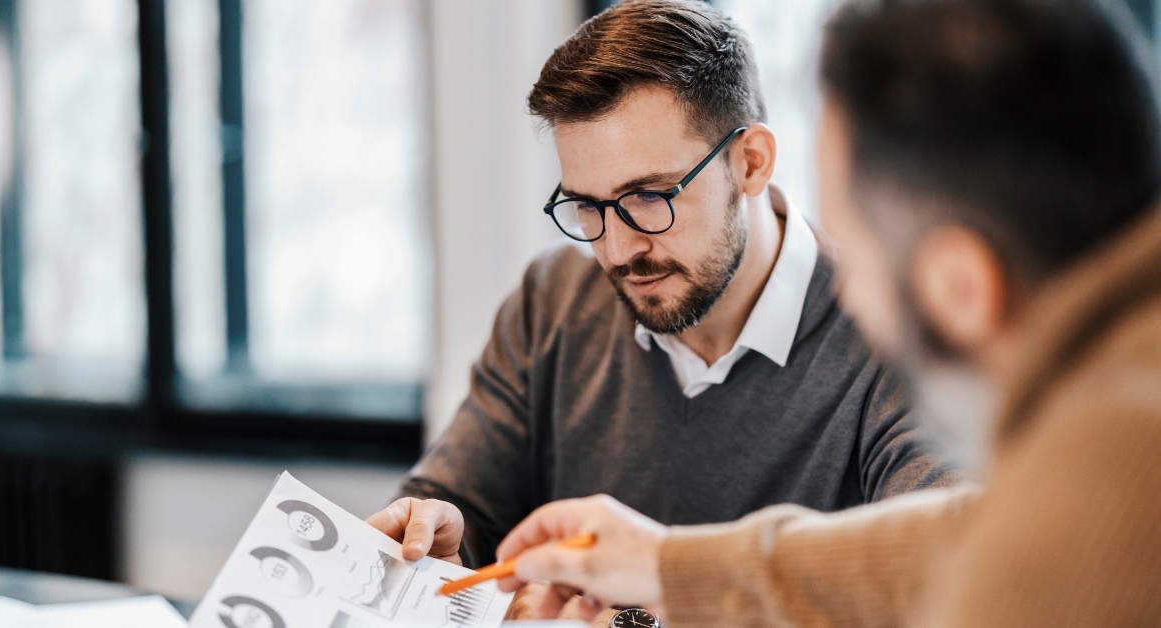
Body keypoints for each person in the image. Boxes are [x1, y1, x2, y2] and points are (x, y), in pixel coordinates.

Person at [491, 0, 1161, 625]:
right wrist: (670, 568)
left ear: (963, 286)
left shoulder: (1105, 482)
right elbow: (953, 538)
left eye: (858, 258)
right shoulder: (1118, 387)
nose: (847, 296)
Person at [364, 0, 960, 620]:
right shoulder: (554, 302)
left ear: (750, 162)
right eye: (588, 207)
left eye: (649, 197)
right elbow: (459, 511)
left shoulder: (895, 331)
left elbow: (948, 581)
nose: (619, 251)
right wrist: (437, 544)